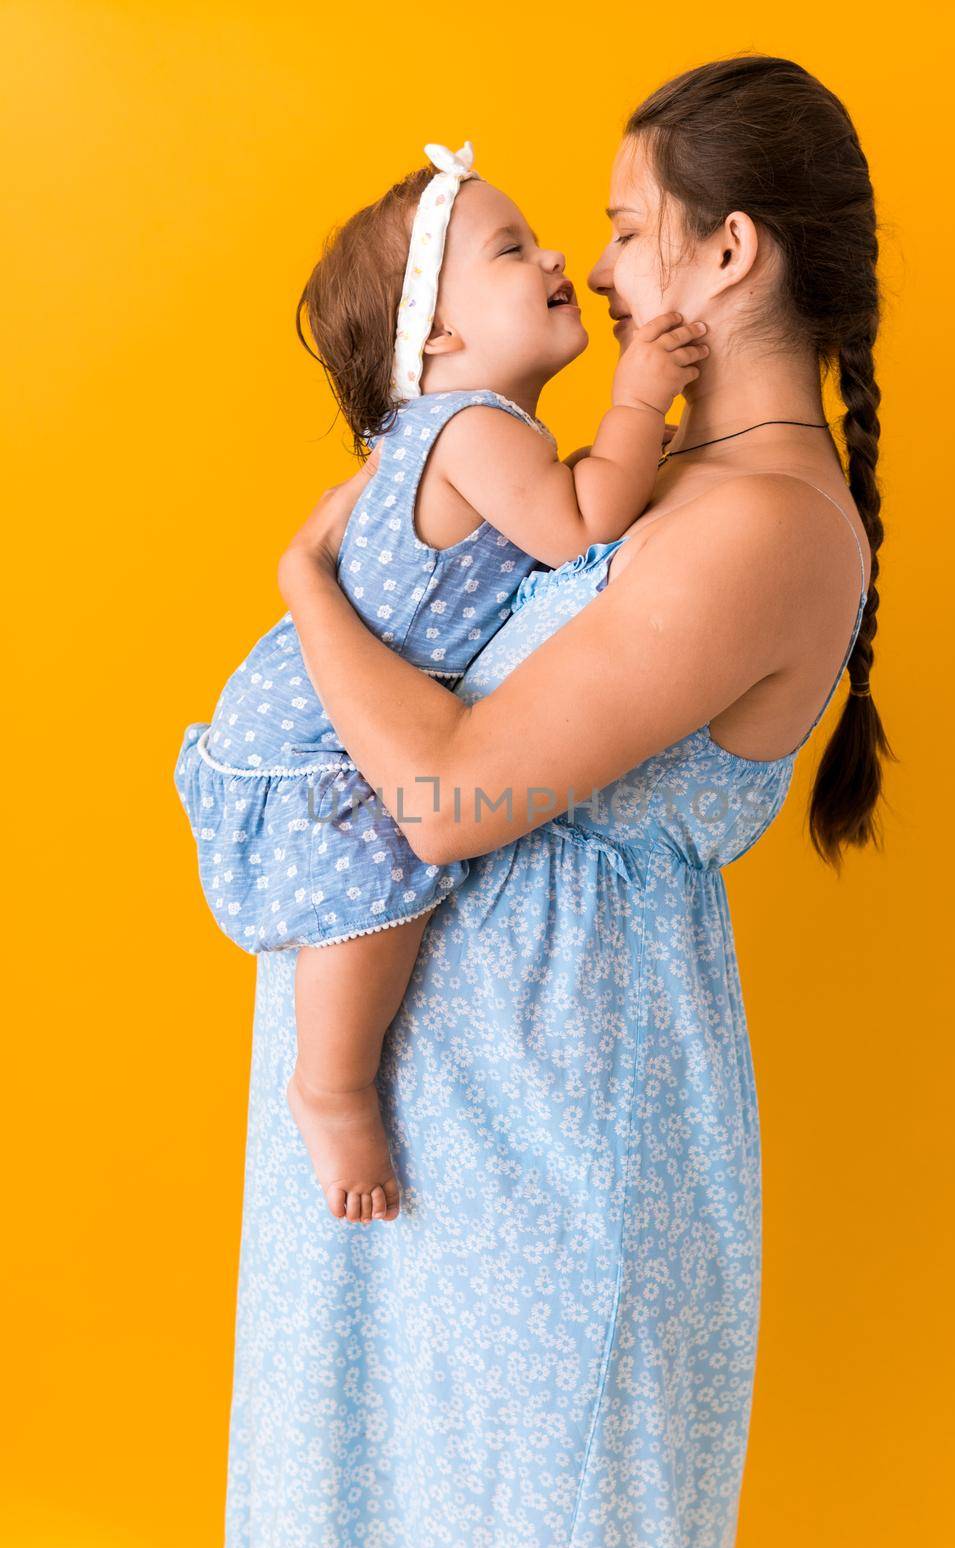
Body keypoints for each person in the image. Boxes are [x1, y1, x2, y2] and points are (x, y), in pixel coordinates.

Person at [221, 54, 894, 1548]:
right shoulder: (656, 481)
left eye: (621, 225)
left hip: (550, 1137)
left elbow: (449, 802)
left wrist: (308, 591)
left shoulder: (760, 526)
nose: (588, 268)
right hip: (441, 1125)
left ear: (728, 256)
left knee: (535, 1547)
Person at [173, 141, 707, 1226]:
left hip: (307, 706)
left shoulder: (443, 432)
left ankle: (331, 1079)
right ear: (441, 336)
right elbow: (579, 526)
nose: (558, 253)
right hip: (317, 737)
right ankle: (329, 1086)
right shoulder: (472, 430)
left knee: (371, 890)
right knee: (368, 897)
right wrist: (640, 397)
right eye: (511, 249)